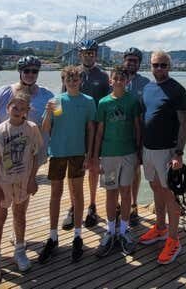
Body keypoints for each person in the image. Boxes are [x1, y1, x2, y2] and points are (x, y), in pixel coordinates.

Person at [0, 55, 54, 270]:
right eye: (27, 70)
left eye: (34, 71)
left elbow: (52, 124)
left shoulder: (48, 96)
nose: (30, 74)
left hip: (30, 159)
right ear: (20, 72)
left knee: (22, 201)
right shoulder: (4, 92)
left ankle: (18, 239)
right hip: (2, 160)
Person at [39, 65, 96, 264]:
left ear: (81, 81)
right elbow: (46, 129)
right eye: (68, 79)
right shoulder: (55, 101)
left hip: (78, 154)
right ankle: (53, 236)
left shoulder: (88, 101)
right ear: (64, 81)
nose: (72, 82)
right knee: (56, 194)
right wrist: (47, 112)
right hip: (57, 153)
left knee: (78, 193)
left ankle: (78, 235)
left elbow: (90, 128)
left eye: (75, 79)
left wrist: (89, 154)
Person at [138, 50, 186, 265]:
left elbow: (184, 123)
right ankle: (160, 228)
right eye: (155, 65)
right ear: (150, 66)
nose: (159, 69)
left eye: (163, 65)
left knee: (170, 195)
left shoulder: (178, 90)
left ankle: (174, 240)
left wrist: (179, 153)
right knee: (155, 189)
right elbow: (144, 118)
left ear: (169, 66)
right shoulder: (147, 88)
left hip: (168, 152)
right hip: (148, 149)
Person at [0, 92, 43, 284]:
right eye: (15, 107)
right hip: (4, 181)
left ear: (28, 111)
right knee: (0, 219)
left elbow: (35, 156)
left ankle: (20, 250)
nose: (18, 111)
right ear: (8, 108)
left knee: (20, 216)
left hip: (23, 180)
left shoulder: (32, 129)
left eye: (22, 108)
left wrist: (33, 179)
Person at [90, 65, 142, 257]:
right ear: (110, 81)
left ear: (127, 81)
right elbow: (99, 131)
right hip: (109, 154)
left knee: (126, 192)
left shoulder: (133, 101)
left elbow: (138, 127)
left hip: (128, 153)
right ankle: (111, 230)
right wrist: (96, 155)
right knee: (111, 193)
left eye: (122, 78)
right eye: (116, 78)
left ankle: (124, 230)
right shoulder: (103, 103)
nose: (119, 81)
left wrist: (139, 152)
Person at [61, 39, 110, 230]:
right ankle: (74, 206)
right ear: (79, 55)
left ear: (96, 55)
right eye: (84, 53)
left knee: (93, 168)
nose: (88, 56)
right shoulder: (73, 74)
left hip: (95, 129)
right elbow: (62, 100)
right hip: (74, 128)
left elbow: (107, 101)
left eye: (91, 53)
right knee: (73, 170)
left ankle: (91, 205)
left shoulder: (103, 76)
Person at [123, 46, 150, 226]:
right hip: (116, 135)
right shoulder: (116, 79)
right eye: (129, 59)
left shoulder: (146, 83)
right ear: (124, 61)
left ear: (139, 64)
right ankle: (121, 204)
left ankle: (133, 205)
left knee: (135, 171)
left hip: (137, 134)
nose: (131, 63)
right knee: (118, 171)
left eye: (135, 60)